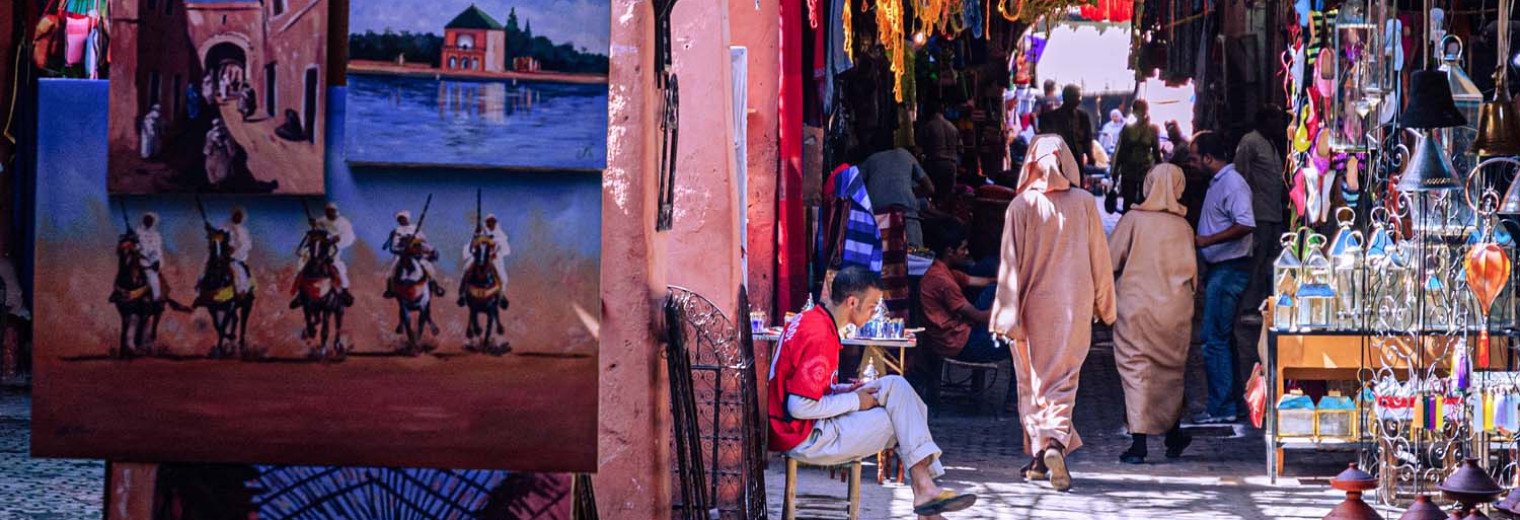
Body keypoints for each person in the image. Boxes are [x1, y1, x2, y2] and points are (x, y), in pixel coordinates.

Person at [767, 266, 977, 518]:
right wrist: (855, 400)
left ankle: (925, 493)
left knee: (896, 386)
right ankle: (925, 497)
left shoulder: (814, 319)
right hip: (804, 437)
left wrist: (844, 389)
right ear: (852, 302)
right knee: (901, 421)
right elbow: (799, 407)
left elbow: (806, 386)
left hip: (809, 425)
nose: (875, 312)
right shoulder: (819, 334)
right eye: (872, 305)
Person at [990, 134, 1116, 491]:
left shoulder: (1019, 206)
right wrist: (1106, 306)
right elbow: (1099, 260)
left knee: (1030, 382)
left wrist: (1003, 315)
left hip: (1029, 312)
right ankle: (1055, 445)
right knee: (1062, 382)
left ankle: (1037, 458)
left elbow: (1008, 266)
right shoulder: (1085, 203)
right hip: (1073, 309)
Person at [1107, 164, 1197, 464]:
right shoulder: (1183, 227)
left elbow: (1110, 259)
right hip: (1175, 310)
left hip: (1136, 308)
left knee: (1137, 371)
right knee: (1171, 373)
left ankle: (1139, 443)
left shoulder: (1133, 220)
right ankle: (1173, 434)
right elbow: (1194, 277)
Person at [1189, 131, 1256, 424]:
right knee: (1223, 336)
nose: (1191, 163)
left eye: (1194, 157)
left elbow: (1245, 224)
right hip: (1222, 267)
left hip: (1230, 267)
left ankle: (1222, 407)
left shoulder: (1232, 183)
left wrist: (1209, 241)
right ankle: (1233, 403)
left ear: (1207, 158)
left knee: (1213, 337)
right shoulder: (1219, 183)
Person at [919, 220, 999, 362]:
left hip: (958, 335)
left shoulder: (941, 271)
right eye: (963, 248)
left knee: (993, 287)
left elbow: (983, 281)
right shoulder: (943, 281)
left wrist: (1002, 282)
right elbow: (981, 317)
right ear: (950, 251)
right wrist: (1000, 303)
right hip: (957, 344)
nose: (967, 253)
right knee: (1016, 343)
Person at [1236, 107, 1288, 313]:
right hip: (1258, 214)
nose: (1278, 125)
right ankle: (1248, 306)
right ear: (1265, 121)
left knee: (1271, 261)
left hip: (1273, 213)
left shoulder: (1271, 144)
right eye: (1275, 120)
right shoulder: (1250, 142)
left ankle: (1266, 303)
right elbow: (1241, 175)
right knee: (1255, 262)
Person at [858, 145, 935, 248]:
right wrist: (911, 194)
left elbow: (854, 184)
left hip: (878, 214)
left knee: (883, 257)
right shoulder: (906, 155)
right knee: (915, 256)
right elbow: (930, 188)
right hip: (907, 215)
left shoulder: (871, 159)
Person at [295, 203, 355, 307]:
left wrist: (339, 239)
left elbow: (350, 237)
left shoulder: (344, 223)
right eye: (327, 211)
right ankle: (300, 294)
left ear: (336, 211)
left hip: (333, 249)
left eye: (332, 210)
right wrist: (314, 224)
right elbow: (317, 226)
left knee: (338, 267)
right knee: (302, 264)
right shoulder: (323, 220)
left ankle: (344, 290)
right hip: (319, 248)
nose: (329, 213)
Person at [1109, 100, 1162, 213]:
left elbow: (1156, 153)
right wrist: (1115, 171)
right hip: (1129, 170)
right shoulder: (1127, 129)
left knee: (1144, 201)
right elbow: (1121, 151)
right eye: (1136, 110)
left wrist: (1160, 171)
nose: (1138, 112)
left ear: (1145, 111)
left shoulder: (1152, 130)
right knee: (1128, 202)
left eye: (1140, 110)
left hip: (1145, 171)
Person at [382, 210, 444, 299]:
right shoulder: (396, 231)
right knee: (391, 271)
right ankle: (390, 290)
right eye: (400, 219)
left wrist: (416, 241)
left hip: (415, 254)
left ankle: (435, 286)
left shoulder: (415, 228)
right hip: (401, 255)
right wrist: (403, 243)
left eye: (403, 218)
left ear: (407, 218)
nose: (402, 220)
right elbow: (394, 246)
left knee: (428, 267)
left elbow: (423, 242)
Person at [1037, 85, 1095, 168]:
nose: (1080, 99)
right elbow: (1045, 140)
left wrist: (1090, 156)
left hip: (1077, 159)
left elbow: (1088, 139)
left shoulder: (1083, 116)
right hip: (1058, 160)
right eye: (1078, 97)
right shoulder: (1051, 117)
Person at [459, 214, 512, 305]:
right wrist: (475, 235)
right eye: (489, 222)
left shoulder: (500, 236)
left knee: (501, 275)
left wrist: (496, 252)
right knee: (466, 269)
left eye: (493, 222)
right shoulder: (480, 233)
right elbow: (471, 248)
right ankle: (462, 293)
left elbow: (506, 250)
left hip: (493, 259)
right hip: (478, 257)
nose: (491, 224)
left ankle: (501, 295)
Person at [917, 101, 961, 204]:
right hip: (951, 165)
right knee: (947, 200)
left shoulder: (928, 126)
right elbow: (960, 149)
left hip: (935, 163)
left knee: (934, 198)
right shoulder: (953, 127)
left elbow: (919, 147)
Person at [222, 208, 253, 295]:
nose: (237, 217)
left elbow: (247, 245)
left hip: (237, 258)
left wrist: (235, 250)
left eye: (239, 216)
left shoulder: (244, 231)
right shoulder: (225, 227)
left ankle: (241, 292)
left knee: (239, 272)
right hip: (223, 257)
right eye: (236, 215)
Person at [136, 213, 165, 302]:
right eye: (146, 219)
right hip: (138, 257)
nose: (148, 221)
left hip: (151, 261)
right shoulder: (138, 232)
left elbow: (157, 250)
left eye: (150, 220)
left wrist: (156, 261)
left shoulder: (156, 235)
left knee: (153, 278)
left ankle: (156, 299)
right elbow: (136, 245)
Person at [203, 119, 235, 187]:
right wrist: (210, 144)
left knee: (223, 176)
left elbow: (231, 151)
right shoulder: (210, 134)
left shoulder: (226, 134)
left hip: (222, 158)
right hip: (213, 158)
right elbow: (206, 151)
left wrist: (227, 144)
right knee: (213, 178)